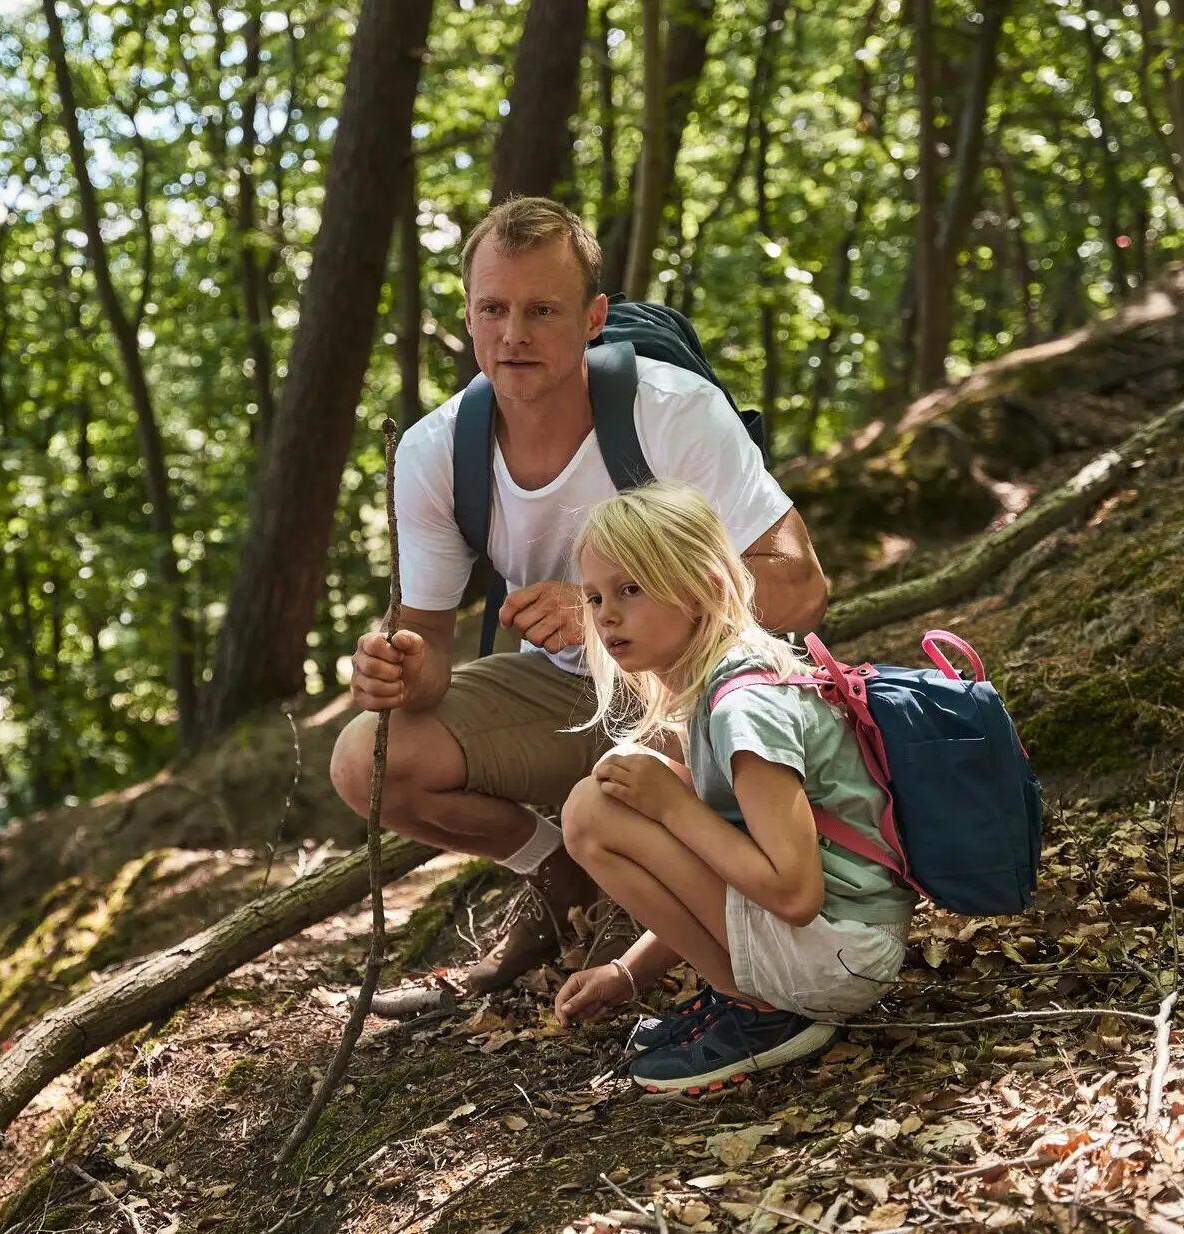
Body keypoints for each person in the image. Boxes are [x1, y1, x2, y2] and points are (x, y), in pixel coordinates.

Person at [330, 196, 829, 1001]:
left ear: (593, 318)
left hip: (699, 691)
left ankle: (719, 965)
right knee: (369, 756)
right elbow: (427, 660)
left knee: (633, 783)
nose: (512, 335)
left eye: (541, 310)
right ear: (467, 316)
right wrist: (393, 667)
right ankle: (557, 871)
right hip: (568, 691)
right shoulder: (433, 451)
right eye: (492, 309)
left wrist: (611, 602)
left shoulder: (670, 412)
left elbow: (800, 585)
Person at [549, 480, 913, 1094]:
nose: (606, 614)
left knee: (595, 808)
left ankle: (762, 1013)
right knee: (630, 783)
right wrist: (626, 974)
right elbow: (717, 877)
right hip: (833, 943)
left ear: (704, 590)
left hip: (840, 955)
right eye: (593, 597)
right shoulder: (717, 687)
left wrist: (674, 807)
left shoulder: (744, 705)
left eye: (630, 589)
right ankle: (749, 1000)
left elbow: (793, 894)